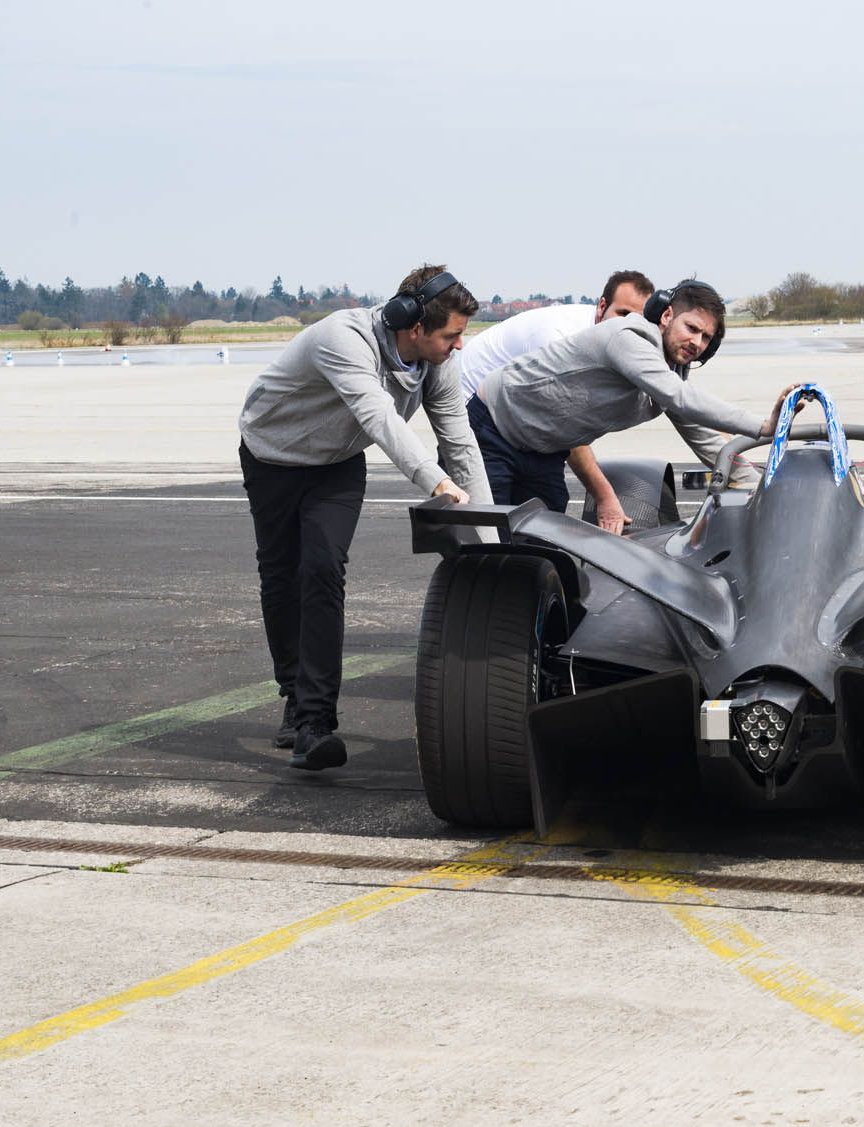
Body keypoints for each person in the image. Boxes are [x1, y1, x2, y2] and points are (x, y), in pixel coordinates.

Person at [238, 264, 483, 770]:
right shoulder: (342, 337)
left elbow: (459, 439)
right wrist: (434, 481)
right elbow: (378, 415)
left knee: (323, 569)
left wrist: (487, 527)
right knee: (281, 577)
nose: (459, 346)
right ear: (415, 327)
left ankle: (314, 725)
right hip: (272, 456)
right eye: (453, 335)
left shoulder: (439, 362)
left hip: (336, 466)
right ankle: (293, 692)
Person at [474, 279, 783, 514]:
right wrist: (762, 426)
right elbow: (681, 397)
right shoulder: (629, 338)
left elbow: (703, 436)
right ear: (665, 317)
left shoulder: (669, 372)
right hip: (493, 430)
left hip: (544, 451)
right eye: (691, 328)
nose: (697, 342)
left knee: (542, 547)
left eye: (706, 338)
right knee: (486, 546)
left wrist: (757, 486)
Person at [458, 270, 678, 533]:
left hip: (533, 433)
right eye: (622, 314)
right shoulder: (560, 336)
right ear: (601, 307)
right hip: (482, 420)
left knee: (544, 531)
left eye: (637, 319)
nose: (628, 325)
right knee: (489, 534)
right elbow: (564, 419)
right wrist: (605, 496)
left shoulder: (619, 341)